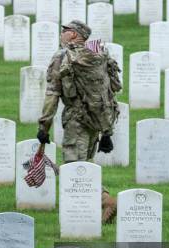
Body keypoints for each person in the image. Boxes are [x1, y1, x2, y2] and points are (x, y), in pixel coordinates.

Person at [37, 20, 118, 223]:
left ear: (73, 34)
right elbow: (111, 89)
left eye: (64, 31)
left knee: (74, 166)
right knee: (86, 163)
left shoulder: (62, 56)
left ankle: (105, 200)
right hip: (98, 119)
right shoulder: (99, 51)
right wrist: (107, 130)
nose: (61, 34)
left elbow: (52, 93)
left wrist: (43, 126)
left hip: (76, 119)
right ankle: (95, 210)